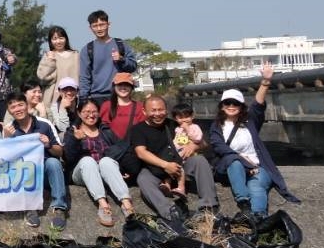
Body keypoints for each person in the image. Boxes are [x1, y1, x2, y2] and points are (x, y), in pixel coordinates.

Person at [208, 63, 302, 217]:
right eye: (227, 103)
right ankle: (243, 201)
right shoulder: (216, 126)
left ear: (241, 106)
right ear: (222, 106)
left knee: (257, 185)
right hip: (229, 168)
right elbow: (219, 148)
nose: (231, 106)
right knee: (234, 159)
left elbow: (258, 104)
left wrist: (265, 81)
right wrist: (245, 162)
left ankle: (259, 218)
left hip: (256, 168)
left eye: (236, 103)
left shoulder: (250, 121)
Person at [122, 95, 219, 227]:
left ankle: (209, 207)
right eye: (153, 110)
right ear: (144, 112)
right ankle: (170, 212)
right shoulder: (138, 129)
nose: (157, 114)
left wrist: (194, 146)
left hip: (181, 164)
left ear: (166, 110)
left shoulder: (173, 124)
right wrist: (165, 165)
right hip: (155, 168)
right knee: (143, 179)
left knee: (199, 160)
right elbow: (141, 153)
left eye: (161, 110)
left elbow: (204, 144)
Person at [62, 98, 133, 227]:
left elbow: (120, 150)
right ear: (79, 113)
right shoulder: (72, 131)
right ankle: (103, 204)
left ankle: (126, 203)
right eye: (86, 111)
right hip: (82, 173)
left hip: (104, 171)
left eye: (94, 111)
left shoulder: (106, 131)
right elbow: (68, 159)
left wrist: (122, 169)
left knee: (106, 161)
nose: (91, 115)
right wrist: (75, 140)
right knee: (87, 161)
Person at [4, 94, 68, 231]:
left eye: (20, 105)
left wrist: (48, 145)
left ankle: (59, 208)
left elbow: (60, 152)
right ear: (9, 111)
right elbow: (6, 160)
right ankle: (29, 208)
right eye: (13, 107)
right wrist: (8, 140)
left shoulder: (44, 124)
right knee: (22, 166)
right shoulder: (9, 129)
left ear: (27, 106)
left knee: (53, 162)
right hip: (24, 176)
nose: (17, 109)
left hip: (44, 173)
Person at [78, 11, 138, 104]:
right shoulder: (87, 49)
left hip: (120, 95)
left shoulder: (121, 44)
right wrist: (83, 98)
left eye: (102, 25)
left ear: (108, 24)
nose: (99, 29)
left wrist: (122, 60)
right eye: (95, 26)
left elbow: (133, 66)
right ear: (90, 28)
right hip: (96, 97)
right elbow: (84, 77)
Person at [36, 26, 79, 110]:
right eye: (54, 39)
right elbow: (42, 77)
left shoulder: (76, 55)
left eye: (61, 38)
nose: (58, 41)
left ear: (66, 39)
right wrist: (50, 61)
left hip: (74, 98)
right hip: (54, 98)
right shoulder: (48, 56)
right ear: (50, 41)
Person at [99, 73, 145, 140]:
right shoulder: (107, 106)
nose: (123, 88)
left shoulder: (139, 107)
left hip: (133, 147)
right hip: (112, 147)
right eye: (120, 84)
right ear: (114, 87)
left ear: (132, 87)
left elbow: (143, 130)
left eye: (127, 85)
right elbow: (103, 130)